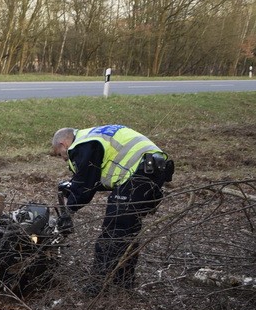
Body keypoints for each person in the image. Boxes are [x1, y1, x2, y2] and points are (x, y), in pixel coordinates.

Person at [51, 125, 174, 294]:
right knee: (127, 231)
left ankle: (99, 284)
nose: (64, 159)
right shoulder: (94, 137)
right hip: (151, 170)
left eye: (60, 154)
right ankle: (123, 282)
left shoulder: (83, 144)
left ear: (63, 143)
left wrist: (68, 211)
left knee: (114, 232)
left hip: (139, 174)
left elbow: (85, 185)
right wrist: (74, 190)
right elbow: (97, 179)